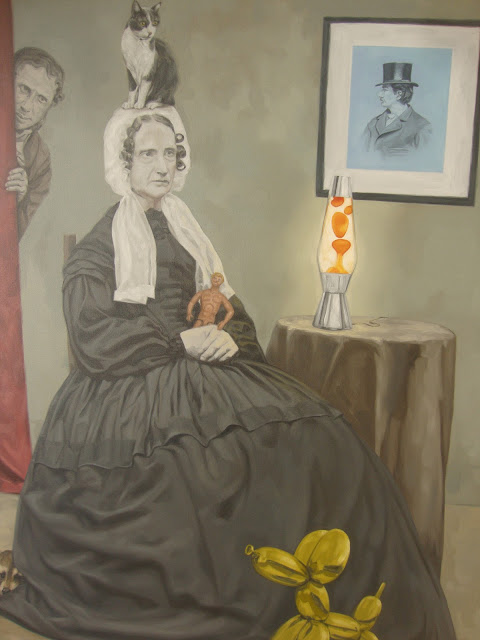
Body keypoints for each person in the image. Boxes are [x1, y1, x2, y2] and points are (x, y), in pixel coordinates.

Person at [0, 106, 456, 640]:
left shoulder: (186, 230)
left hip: (205, 368)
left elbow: (228, 307)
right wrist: (178, 341)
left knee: (317, 438)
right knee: (205, 466)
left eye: (170, 154)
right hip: (125, 386)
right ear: (124, 164)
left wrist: (224, 336)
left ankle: (328, 594)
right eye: (147, 154)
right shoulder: (101, 245)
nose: (163, 166)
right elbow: (92, 335)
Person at [4, 47, 65, 240]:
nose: (27, 106)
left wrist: (18, 200)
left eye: (41, 99)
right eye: (24, 89)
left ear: (50, 106)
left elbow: (14, 238)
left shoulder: (40, 159)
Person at [363, 62, 432, 157]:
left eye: (385, 90)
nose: (379, 94)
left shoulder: (421, 127)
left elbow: (425, 161)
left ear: (399, 94)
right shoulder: (373, 124)